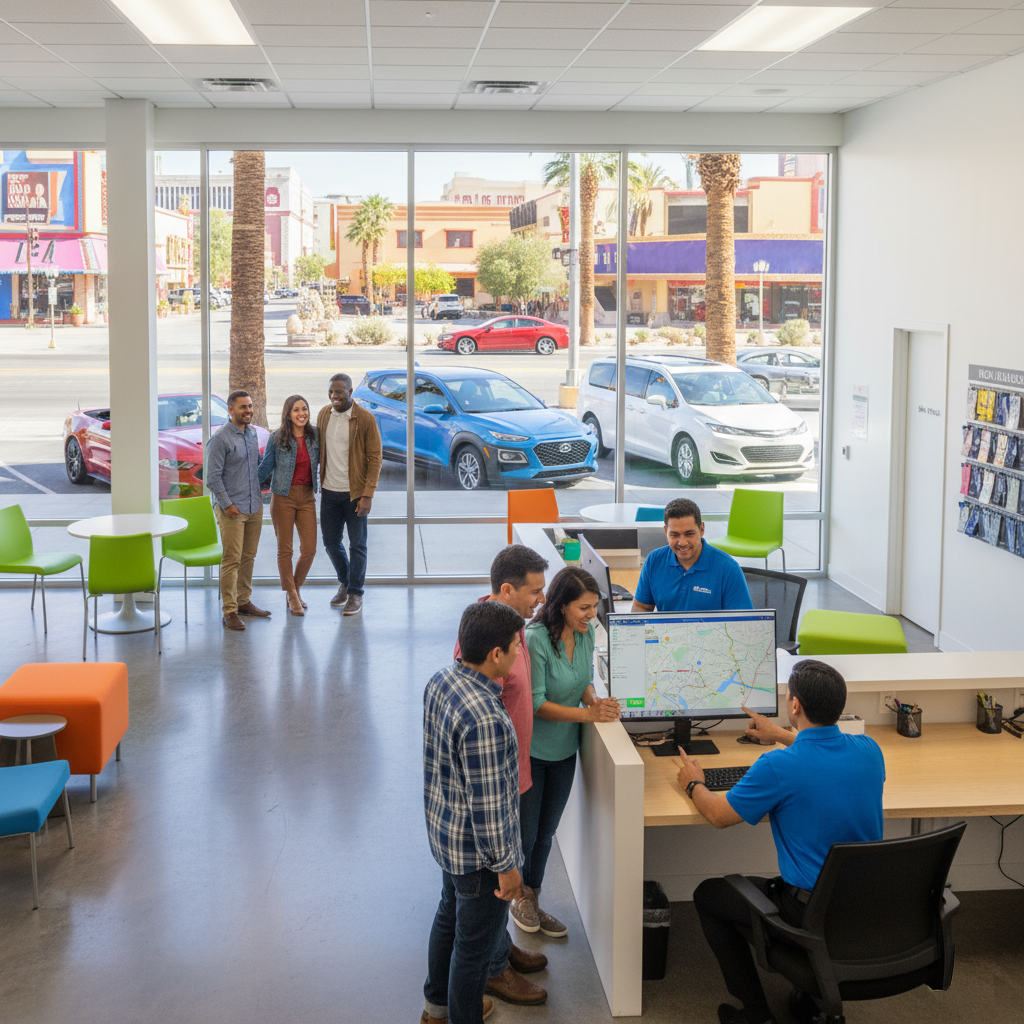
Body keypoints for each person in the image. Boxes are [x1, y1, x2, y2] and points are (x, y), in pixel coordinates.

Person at [677, 660, 886, 1024]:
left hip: (806, 913)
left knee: (709, 895)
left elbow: (718, 816)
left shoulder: (777, 767)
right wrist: (782, 733)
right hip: (864, 909)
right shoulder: (870, 750)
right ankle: (809, 999)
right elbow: (823, 748)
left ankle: (757, 1015)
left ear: (794, 706)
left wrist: (694, 782)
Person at [453, 545, 550, 1008]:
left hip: (519, 770)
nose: (541, 600)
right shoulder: (485, 639)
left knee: (506, 880)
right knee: (496, 881)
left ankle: (500, 951)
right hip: (497, 779)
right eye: (534, 592)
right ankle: (494, 971)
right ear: (507, 590)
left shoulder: (516, 626)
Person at [422, 601, 527, 1024]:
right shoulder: (486, 717)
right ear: (495, 655)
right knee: (473, 952)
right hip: (480, 859)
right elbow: (489, 806)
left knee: (449, 915)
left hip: (447, 837)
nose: (521, 653)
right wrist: (508, 868)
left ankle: (435, 1010)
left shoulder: (442, 680)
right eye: (516, 646)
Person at [512, 567, 621, 938]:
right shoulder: (535, 639)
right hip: (531, 752)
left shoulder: (587, 633)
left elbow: (585, 679)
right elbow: (537, 702)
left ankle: (534, 897)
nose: (592, 615)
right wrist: (588, 713)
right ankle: (518, 897)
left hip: (564, 752)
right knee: (525, 835)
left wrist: (596, 701)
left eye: (594, 607)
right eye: (585, 608)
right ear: (561, 606)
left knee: (546, 833)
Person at [316, 372, 383, 617]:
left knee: (358, 545)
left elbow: (375, 459)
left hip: (355, 494)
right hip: (329, 492)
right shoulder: (324, 414)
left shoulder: (365, 419)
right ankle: (345, 582)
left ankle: (355, 593)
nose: (334, 396)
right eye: (331, 391)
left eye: (340, 391)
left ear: (351, 392)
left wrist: (368, 495)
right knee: (331, 542)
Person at [204, 389, 271, 631]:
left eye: (250, 406)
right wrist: (227, 505)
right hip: (231, 509)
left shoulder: (252, 434)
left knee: (248, 557)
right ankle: (229, 610)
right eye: (243, 407)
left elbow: (256, 469)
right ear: (230, 410)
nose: (248, 411)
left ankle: (243, 602)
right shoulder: (220, 439)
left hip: (254, 507)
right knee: (231, 560)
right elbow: (211, 478)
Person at [632, 497, 752, 613]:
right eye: (674, 535)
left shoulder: (728, 568)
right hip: (667, 634)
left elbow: (742, 623)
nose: (682, 543)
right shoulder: (654, 561)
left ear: (702, 529)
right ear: (665, 532)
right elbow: (641, 607)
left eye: (689, 534)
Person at [258, 394, 319, 617]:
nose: (301, 413)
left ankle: (295, 587)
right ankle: (292, 595)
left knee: (310, 549)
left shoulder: (315, 436)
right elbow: (264, 469)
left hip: (306, 497)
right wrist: (245, 487)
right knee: (285, 550)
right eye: (296, 410)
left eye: (304, 409)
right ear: (288, 414)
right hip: (282, 496)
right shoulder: (277, 438)